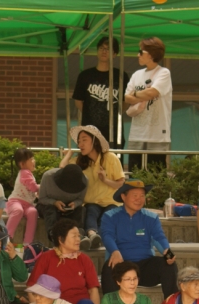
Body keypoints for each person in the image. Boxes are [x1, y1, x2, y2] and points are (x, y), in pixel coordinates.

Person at [27, 219, 102, 304]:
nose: (78, 239)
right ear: (61, 240)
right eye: (74, 235)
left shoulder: (84, 259)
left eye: (79, 235)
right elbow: (32, 288)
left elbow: (93, 290)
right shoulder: (46, 258)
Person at [100, 179, 177, 297]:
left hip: (145, 268)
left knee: (169, 265)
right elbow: (107, 236)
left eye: (142, 196)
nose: (139, 199)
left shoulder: (151, 217)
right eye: (135, 195)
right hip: (121, 264)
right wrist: (115, 252)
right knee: (109, 268)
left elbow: (159, 237)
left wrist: (168, 252)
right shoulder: (110, 216)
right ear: (123, 197)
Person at [60, 125, 124, 249]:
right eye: (79, 141)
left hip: (111, 201)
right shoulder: (79, 161)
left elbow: (120, 183)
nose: (80, 144)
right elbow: (63, 169)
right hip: (91, 202)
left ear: (94, 141)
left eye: (84, 140)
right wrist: (68, 154)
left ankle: (93, 238)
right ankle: (92, 234)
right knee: (90, 211)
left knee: (106, 217)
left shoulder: (110, 157)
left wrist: (105, 180)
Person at [124, 37, 172, 170]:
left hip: (157, 135)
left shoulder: (164, 73)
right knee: (135, 174)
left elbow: (153, 93)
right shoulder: (136, 75)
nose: (137, 55)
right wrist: (142, 94)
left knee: (155, 176)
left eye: (140, 51)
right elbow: (126, 98)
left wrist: (135, 95)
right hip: (136, 133)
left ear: (150, 54)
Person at [73, 36, 129, 150]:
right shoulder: (85, 76)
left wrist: (114, 114)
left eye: (108, 49)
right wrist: (90, 113)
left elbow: (125, 102)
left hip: (113, 131)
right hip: (89, 130)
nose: (104, 51)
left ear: (114, 54)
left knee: (112, 164)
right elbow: (78, 101)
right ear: (97, 51)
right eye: (101, 48)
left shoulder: (121, 76)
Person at [35, 165, 87, 232]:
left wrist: (75, 204)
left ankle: (78, 234)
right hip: (49, 205)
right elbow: (42, 199)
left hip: (69, 208)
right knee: (50, 210)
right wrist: (54, 202)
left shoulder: (84, 181)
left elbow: (80, 200)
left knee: (81, 210)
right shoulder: (48, 176)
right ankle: (53, 234)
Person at [6, 148, 39, 244]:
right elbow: (33, 187)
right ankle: (6, 237)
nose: (34, 161)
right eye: (31, 159)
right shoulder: (25, 172)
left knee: (33, 212)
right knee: (18, 210)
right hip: (16, 201)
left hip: (27, 204)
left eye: (33, 158)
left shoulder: (29, 173)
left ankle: (27, 243)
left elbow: (31, 191)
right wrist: (42, 186)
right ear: (22, 164)